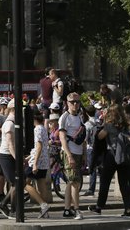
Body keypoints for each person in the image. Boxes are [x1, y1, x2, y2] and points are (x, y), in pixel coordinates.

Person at [87, 105, 130, 216]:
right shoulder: (127, 126)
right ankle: (128, 209)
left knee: (105, 182)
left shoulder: (109, 126)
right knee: (124, 183)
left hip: (111, 156)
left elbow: (99, 137)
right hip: (124, 157)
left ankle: (99, 206)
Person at [58, 92, 84, 220]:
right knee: (74, 182)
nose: (75, 104)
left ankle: (67, 209)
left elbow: (82, 137)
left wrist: (83, 154)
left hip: (78, 152)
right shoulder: (64, 117)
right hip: (70, 152)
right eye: (72, 102)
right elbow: (62, 137)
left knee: (70, 182)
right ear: (67, 103)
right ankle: (77, 209)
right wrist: (69, 156)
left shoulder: (80, 117)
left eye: (77, 102)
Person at [25, 112, 50, 219]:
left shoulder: (37, 129)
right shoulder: (43, 128)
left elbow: (38, 146)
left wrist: (34, 163)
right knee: (41, 184)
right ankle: (44, 210)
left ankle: (42, 204)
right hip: (44, 160)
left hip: (38, 161)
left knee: (24, 183)